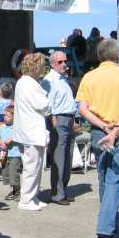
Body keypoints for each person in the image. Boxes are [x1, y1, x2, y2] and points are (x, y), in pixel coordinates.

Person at [76, 39, 119, 238]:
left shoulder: (89, 77)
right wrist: (115, 130)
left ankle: (106, 217)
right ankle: (105, 230)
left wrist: (103, 126)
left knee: (103, 176)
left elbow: (82, 109)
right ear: (117, 55)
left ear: (99, 56)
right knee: (115, 179)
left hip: (99, 131)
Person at [12, 52, 51, 212]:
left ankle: (33, 197)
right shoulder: (30, 84)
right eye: (41, 66)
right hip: (31, 132)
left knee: (35, 166)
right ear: (35, 67)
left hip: (27, 131)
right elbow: (44, 106)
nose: (43, 69)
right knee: (32, 167)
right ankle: (26, 199)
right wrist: (49, 101)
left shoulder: (23, 82)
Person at [42, 51, 76, 206]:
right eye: (60, 62)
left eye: (65, 61)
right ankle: (57, 194)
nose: (64, 64)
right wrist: (53, 120)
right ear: (52, 64)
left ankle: (63, 191)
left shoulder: (63, 79)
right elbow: (47, 103)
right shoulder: (49, 80)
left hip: (68, 118)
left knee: (67, 157)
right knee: (59, 157)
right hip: (58, 120)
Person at [0, 106, 22, 201]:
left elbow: (19, 136)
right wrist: (0, 142)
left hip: (15, 154)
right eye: (5, 115)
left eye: (8, 116)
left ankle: (18, 191)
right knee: (7, 174)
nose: (5, 117)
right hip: (5, 154)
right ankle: (14, 190)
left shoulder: (16, 127)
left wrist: (10, 140)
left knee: (14, 173)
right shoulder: (2, 127)